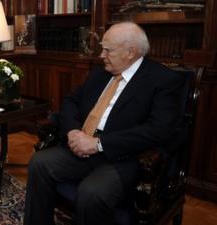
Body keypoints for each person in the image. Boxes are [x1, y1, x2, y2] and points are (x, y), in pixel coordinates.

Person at [24, 22, 186, 225]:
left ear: (130, 52)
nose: (101, 55)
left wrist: (99, 144)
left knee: (92, 192)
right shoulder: (101, 73)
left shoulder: (163, 80)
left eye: (108, 50)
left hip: (124, 157)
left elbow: (158, 130)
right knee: (39, 163)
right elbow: (71, 101)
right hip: (82, 145)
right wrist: (73, 131)